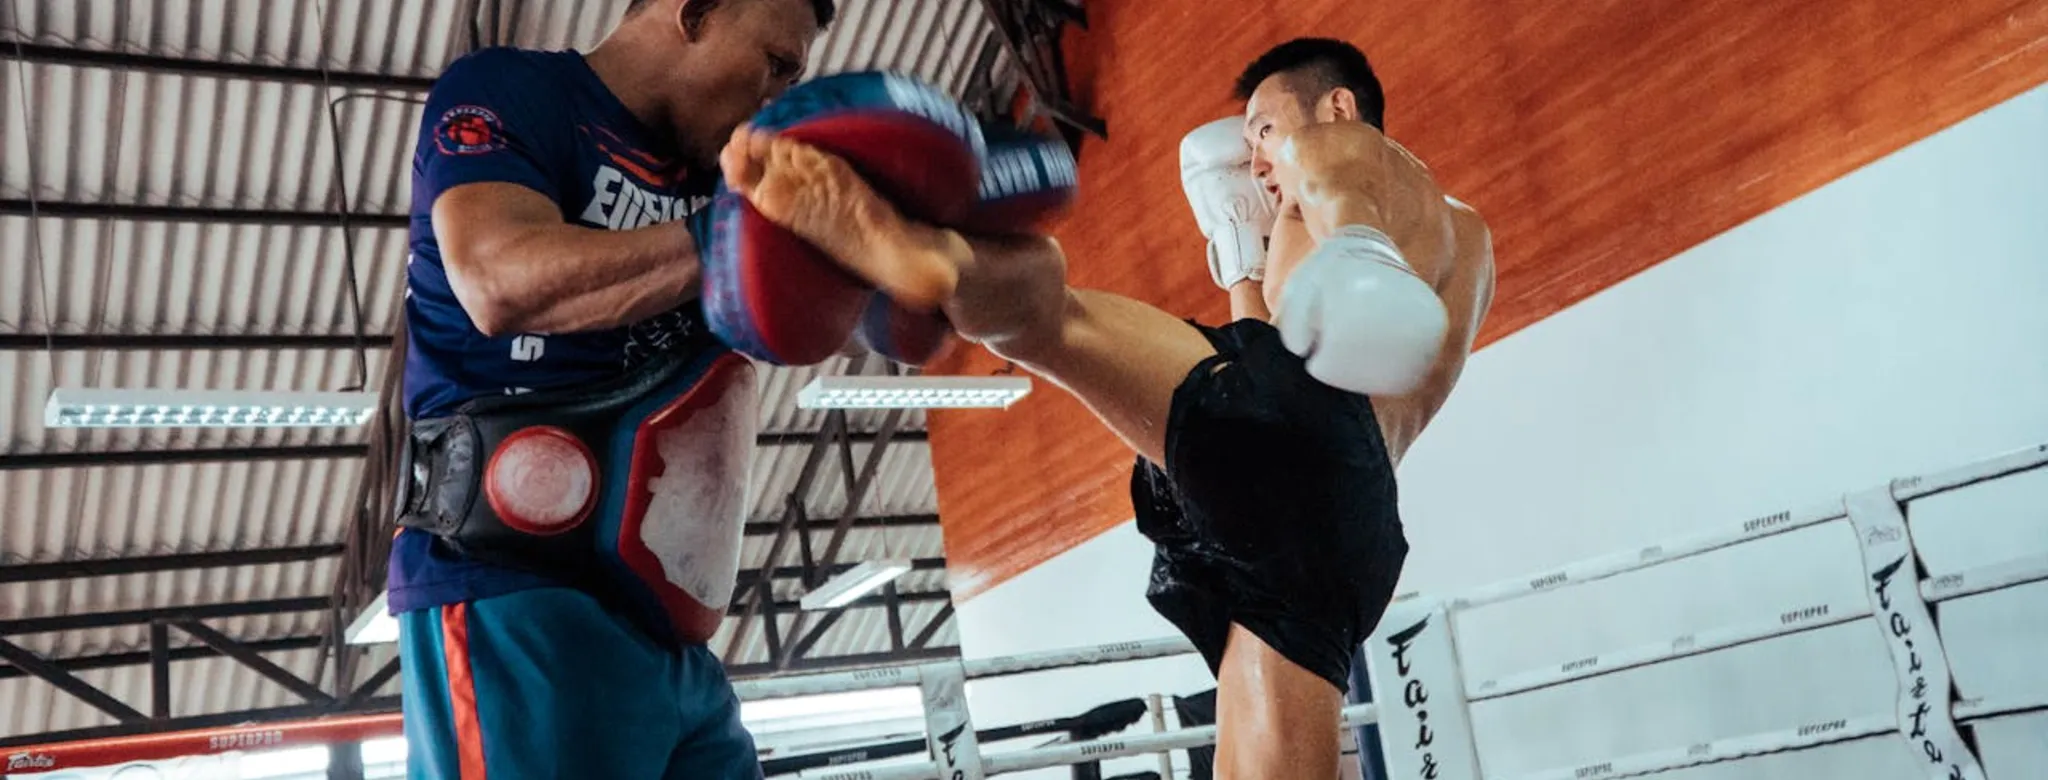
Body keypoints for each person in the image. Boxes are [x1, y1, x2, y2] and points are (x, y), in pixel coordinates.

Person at [719, 37, 1496, 779]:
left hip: (1308, 445)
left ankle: (945, 262)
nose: (1256, 157)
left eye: (1262, 129)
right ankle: (936, 263)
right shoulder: (1470, 242)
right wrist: (1243, 261)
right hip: (1341, 524)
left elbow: (1335, 180)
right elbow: (1284, 393)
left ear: (1336, 103)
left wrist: (1355, 247)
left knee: (1056, 317)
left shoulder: (1346, 150)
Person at [390, 0, 833, 777]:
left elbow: (871, 327)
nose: (773, 98)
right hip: (514, 596)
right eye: (774, 64)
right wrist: (734, 236)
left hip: (669, 623)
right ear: (692, 13)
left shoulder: (723, 175)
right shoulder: (509, 91)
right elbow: (498, 280)